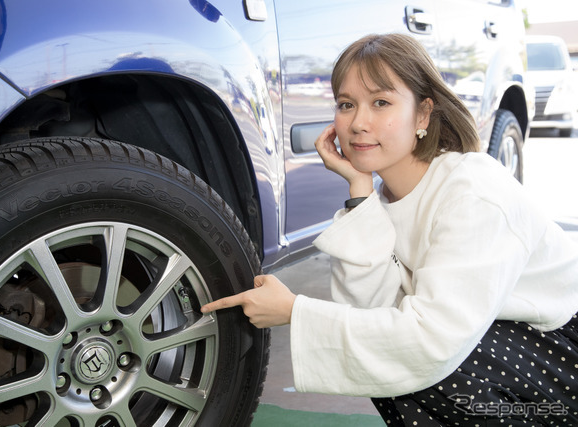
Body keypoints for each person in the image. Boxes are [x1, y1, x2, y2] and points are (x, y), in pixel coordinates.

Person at [201, 33, 578, 425]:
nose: (359, 122)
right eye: (347, 105)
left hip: (559, 352)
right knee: (385, 351)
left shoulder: (473, 192)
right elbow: (369, 311)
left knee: (430, 361)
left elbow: (430, 342)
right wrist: (360, 193)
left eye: (380, 102)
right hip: (510, 346)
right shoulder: (383, 197)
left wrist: (296, 311)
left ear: (423, 115)